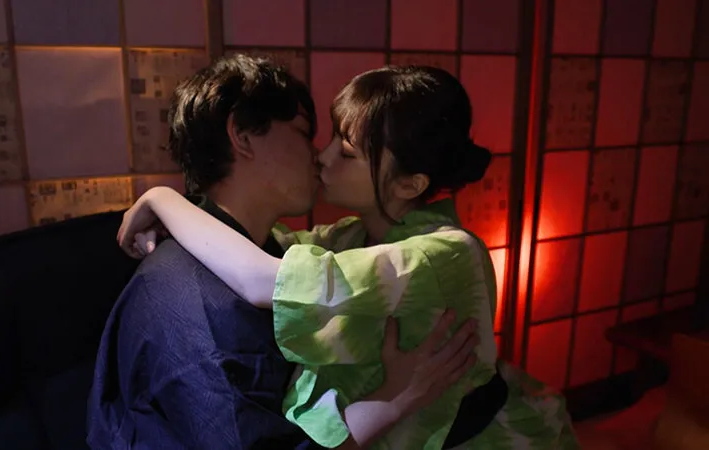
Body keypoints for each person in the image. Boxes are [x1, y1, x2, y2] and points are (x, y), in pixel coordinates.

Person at [119, 65, 581, 449]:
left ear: (410, 183)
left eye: (345, 150)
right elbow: (267, 247)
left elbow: (266, 279)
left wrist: (163, 200)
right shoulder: (351, 235)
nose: (322, 157)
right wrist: (183, 216)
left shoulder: (444, 253)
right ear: (241, 136)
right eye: (317, 137)